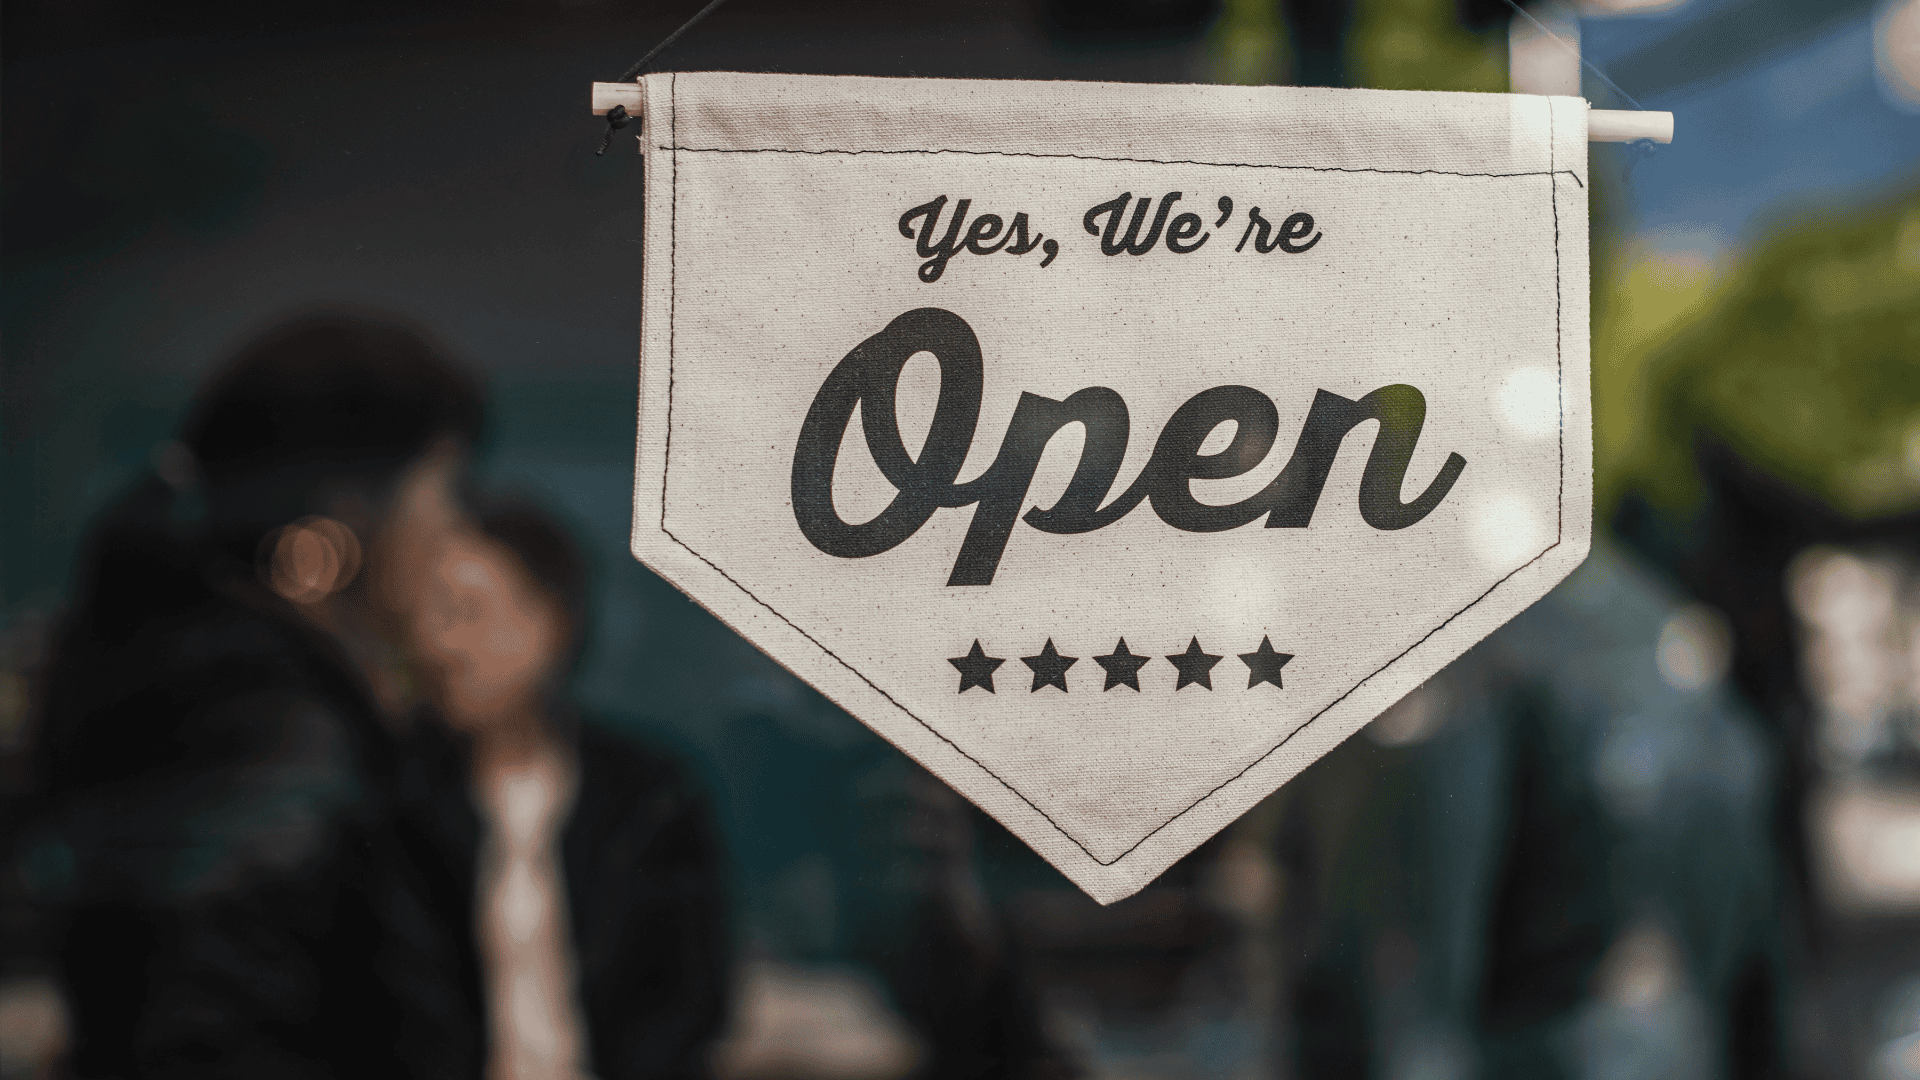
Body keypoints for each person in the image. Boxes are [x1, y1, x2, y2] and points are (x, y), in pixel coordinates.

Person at [30, 311, 492, 1077]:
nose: (453, 537)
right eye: (442, 493)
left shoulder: (199, 681)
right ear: (349, 510)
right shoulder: (266, 730)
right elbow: (209, 1034)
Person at [405, 496, 730, 1080]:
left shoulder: (649, 795)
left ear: (552, 620)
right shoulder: (399, 791)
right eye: (424, 616)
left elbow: (690, 998)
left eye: (468, 612)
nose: (440, 645)